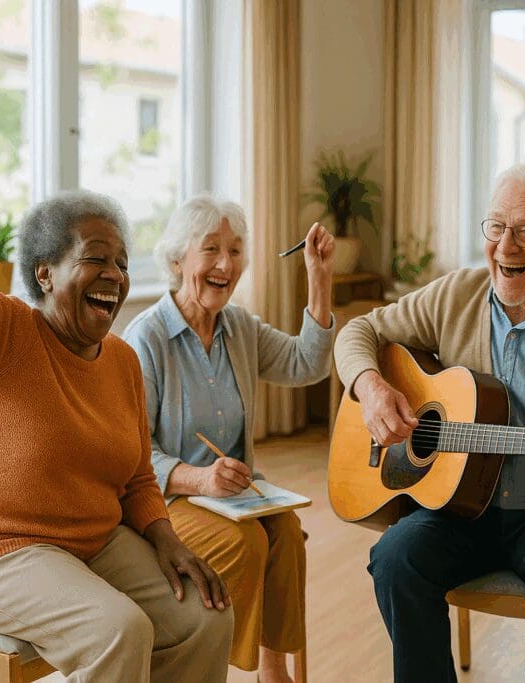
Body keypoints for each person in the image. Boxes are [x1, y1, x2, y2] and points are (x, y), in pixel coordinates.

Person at [0, 54, 233, 681]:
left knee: (205, 616)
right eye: (95, 258)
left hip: (92, 544)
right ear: (45, 272)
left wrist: (167, 538)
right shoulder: (4, 333)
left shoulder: (123, 360)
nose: (114, 276)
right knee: (117, 630)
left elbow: (135, 479)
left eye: (122, 262)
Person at [334, 164, 525, 683]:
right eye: (496, 226)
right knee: (396, 559)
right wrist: (371, 387)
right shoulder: (456, 295)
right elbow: (359, 331)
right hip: (459, 508)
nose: (505, 245)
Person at [123, 195, 334, 683]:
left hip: (233, 496)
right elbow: (132, 456)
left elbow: (308, 362)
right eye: (211, 249)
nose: (225, 264)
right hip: (165, 503)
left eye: (236, 251)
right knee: (247, 543)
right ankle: (210, 665)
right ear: (179, 261)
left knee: (285, 533)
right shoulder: (146, 339)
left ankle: (272, 671)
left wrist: (319, 278)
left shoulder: (238, 327)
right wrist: (200, 477)